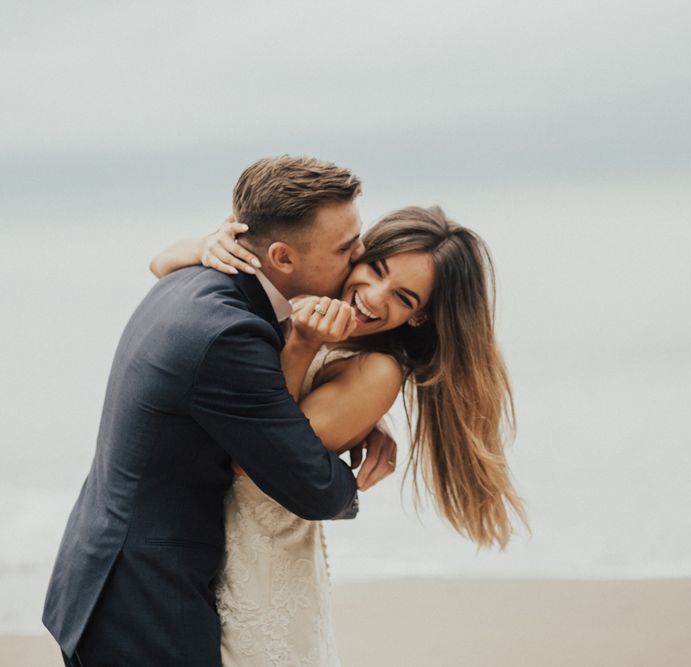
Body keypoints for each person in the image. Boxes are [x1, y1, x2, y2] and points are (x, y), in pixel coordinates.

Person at [42, 155, 397, 667]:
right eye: (347, 247)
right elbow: (313, 488)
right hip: (143, 603)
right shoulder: (231, 335)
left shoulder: (192, 280)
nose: (360, 256)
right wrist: (353, 484)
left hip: (99, 573)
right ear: (283, 257)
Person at [153, 202, 529, 666]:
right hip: (205, 557)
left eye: (404, 298)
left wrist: (302, 347)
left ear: (420, 318)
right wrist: (209, 244)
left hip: (263, 573)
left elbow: (257, 459)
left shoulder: (376, 370)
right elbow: (162, 264)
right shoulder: (318, 302)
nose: (373, 296)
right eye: (375, 268)